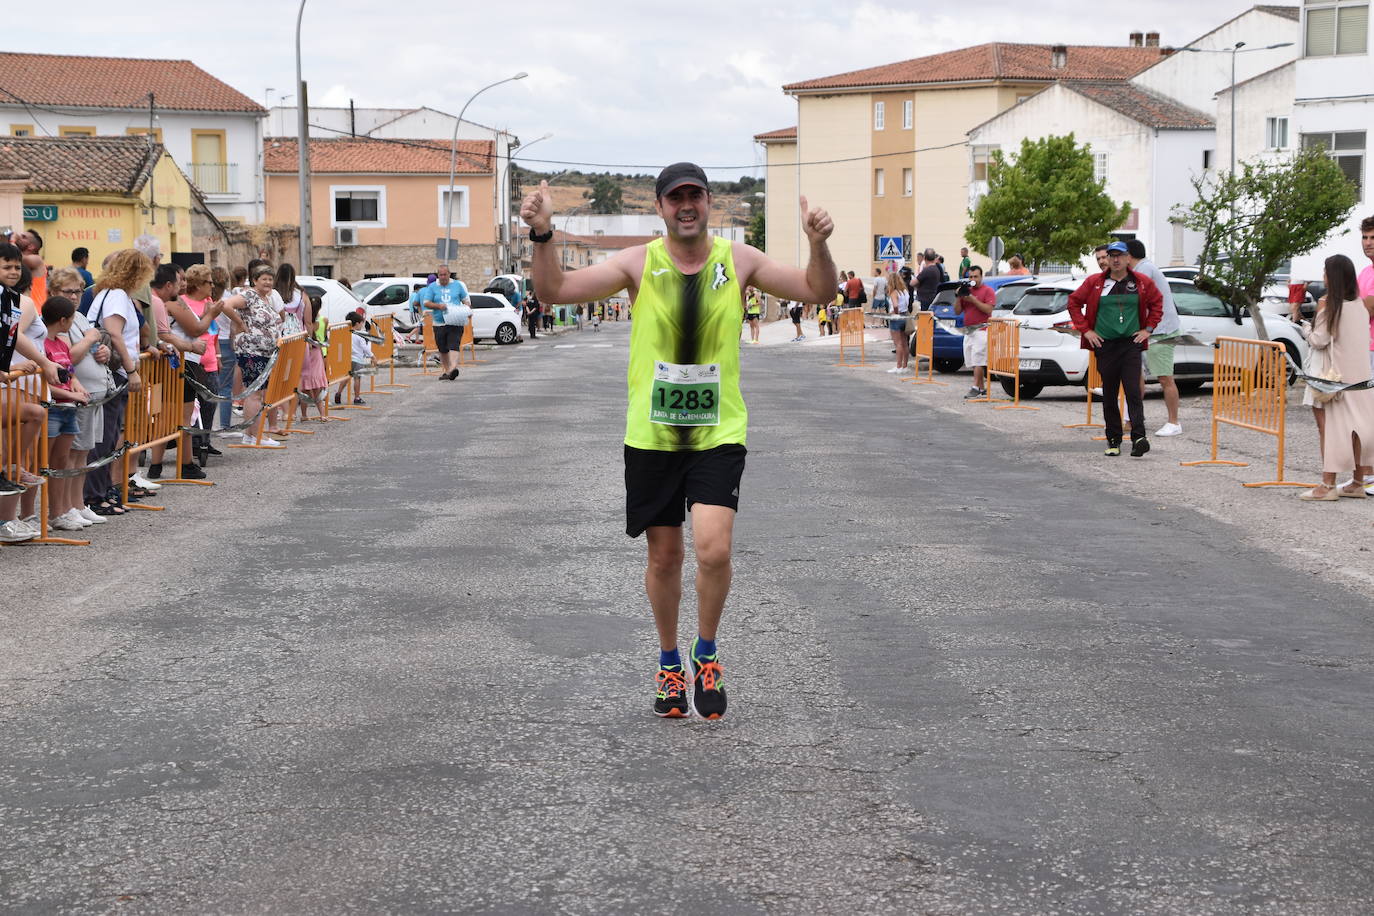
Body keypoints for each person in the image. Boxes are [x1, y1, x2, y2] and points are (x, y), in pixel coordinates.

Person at [520, 161, 836, 720]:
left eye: (695, 196)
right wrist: (543, 235)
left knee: (714, 547)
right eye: (675, 198)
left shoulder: (738, 261)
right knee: (665, 557)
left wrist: (818, 245)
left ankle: (706, 650)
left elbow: (819, 291)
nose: (686, 205)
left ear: (709, 203)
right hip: (652, 435)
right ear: (660, 207)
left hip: (718, 431)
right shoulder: (638, 262)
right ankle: (669, 661)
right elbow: (555, 290)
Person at [1066, 240, 1163, 457]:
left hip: (1131, 344)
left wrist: (1148, 329)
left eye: (1120, 255)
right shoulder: (1095, 282)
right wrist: (1086, 331)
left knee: (1132, 391)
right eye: (1112, 256)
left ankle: (1139, 437)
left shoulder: (1141, 282)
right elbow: (1073, 303)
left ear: (1128, 258)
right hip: (1105, 345)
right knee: (1109, 393)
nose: (1115, 259)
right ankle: (1114, 439)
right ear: (1107, 259)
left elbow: (1157, 303)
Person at [1299, 254, 1374, 500]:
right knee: (1358, 431)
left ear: (1332, 276)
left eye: (1325, 271)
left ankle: (1328, 486)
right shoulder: (1361, 307)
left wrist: (1306, 327)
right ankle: (1356, 482)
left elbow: (1319, 341)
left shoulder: (1330, 305)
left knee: (1329, 430)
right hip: (1360, 379)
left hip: (1332, 381)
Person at [47, 268, 109, 525]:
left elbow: (88, 349)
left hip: (92, 392)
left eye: (78, 291)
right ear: (54, 293)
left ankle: (78, 503)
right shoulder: (57, 319)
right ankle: (65, 507)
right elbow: (66, 359)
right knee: (70, 453)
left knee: (84, 451)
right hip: (72, 397)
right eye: (68, 291)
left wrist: (102, 350)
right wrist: (91, 338)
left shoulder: (80, 317)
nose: (74, 296)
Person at [39, 296, 94, 531]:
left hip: (69, 411)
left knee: (62, 461)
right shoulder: (41, 345)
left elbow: (69, 374)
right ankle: (40, 513)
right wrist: (71, 396)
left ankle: (59, 512)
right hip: (53, 410)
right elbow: (40, 382)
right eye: (72, 319)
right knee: (44, 462)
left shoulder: (62, 344)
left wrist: (77, 385)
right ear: (63, 320)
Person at [1124, 240, 1183, 437]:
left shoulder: (1145, 270)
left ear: (1129, 255)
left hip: (1160, 332)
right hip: (1146, 332)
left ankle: (1174, 422)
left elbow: (1136, 299)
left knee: (1165, 377)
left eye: (1121, 255)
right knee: (1137, 377)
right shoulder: (1142, 269)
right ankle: (1133, 420)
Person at [227, 264, 284, 447]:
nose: (268, 282)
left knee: (257, 394)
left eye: (270, 279)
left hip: (264, 353)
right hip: (252, 352)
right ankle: (257, 436)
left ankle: (250, 434)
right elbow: (226, 305)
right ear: (254, 280)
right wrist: (240, 323)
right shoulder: (249, 295)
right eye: (264, 279)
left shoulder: (266, 298)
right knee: (255, 395)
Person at [420, 265, 469, 380]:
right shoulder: (432, 287)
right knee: (442, 348)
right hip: (439, 322)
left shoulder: (457, 285)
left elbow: (466, 300)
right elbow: (426, 302)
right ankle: (448, 371)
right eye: (440, 275)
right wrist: (438, 306)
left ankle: (453, 368)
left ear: (449, 274)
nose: (443, 277)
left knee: (454, 344)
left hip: (455, 321)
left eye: (445, 274)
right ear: (438, 275)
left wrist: (467, 309)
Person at [954, 266, 996, 397]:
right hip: (969, 330)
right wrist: (958, 296)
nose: (973, 279)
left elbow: (988, 310)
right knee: (971, 360)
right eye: (971, 277)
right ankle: (982, 389)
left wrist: (973, 299)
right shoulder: (967, 291)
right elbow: (957, 311)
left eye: (976, 277)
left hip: (982, 330)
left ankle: (975, 387)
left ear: (981, 277)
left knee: (978, 359)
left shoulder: (988, 291)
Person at [886, 270, 912, 374]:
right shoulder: (905, 291)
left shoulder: (893, 292)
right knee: (905, 343)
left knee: (898, 344)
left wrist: (895, 312)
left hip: (896, 318)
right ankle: (905, 366)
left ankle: (898, 366)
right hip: (905, 316)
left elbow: (895, 305)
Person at [70, 247, 95, 313]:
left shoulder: (63, 273)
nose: (87, 263)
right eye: (87, 260)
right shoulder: (86, 274)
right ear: (84, 259)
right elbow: (92, 293)